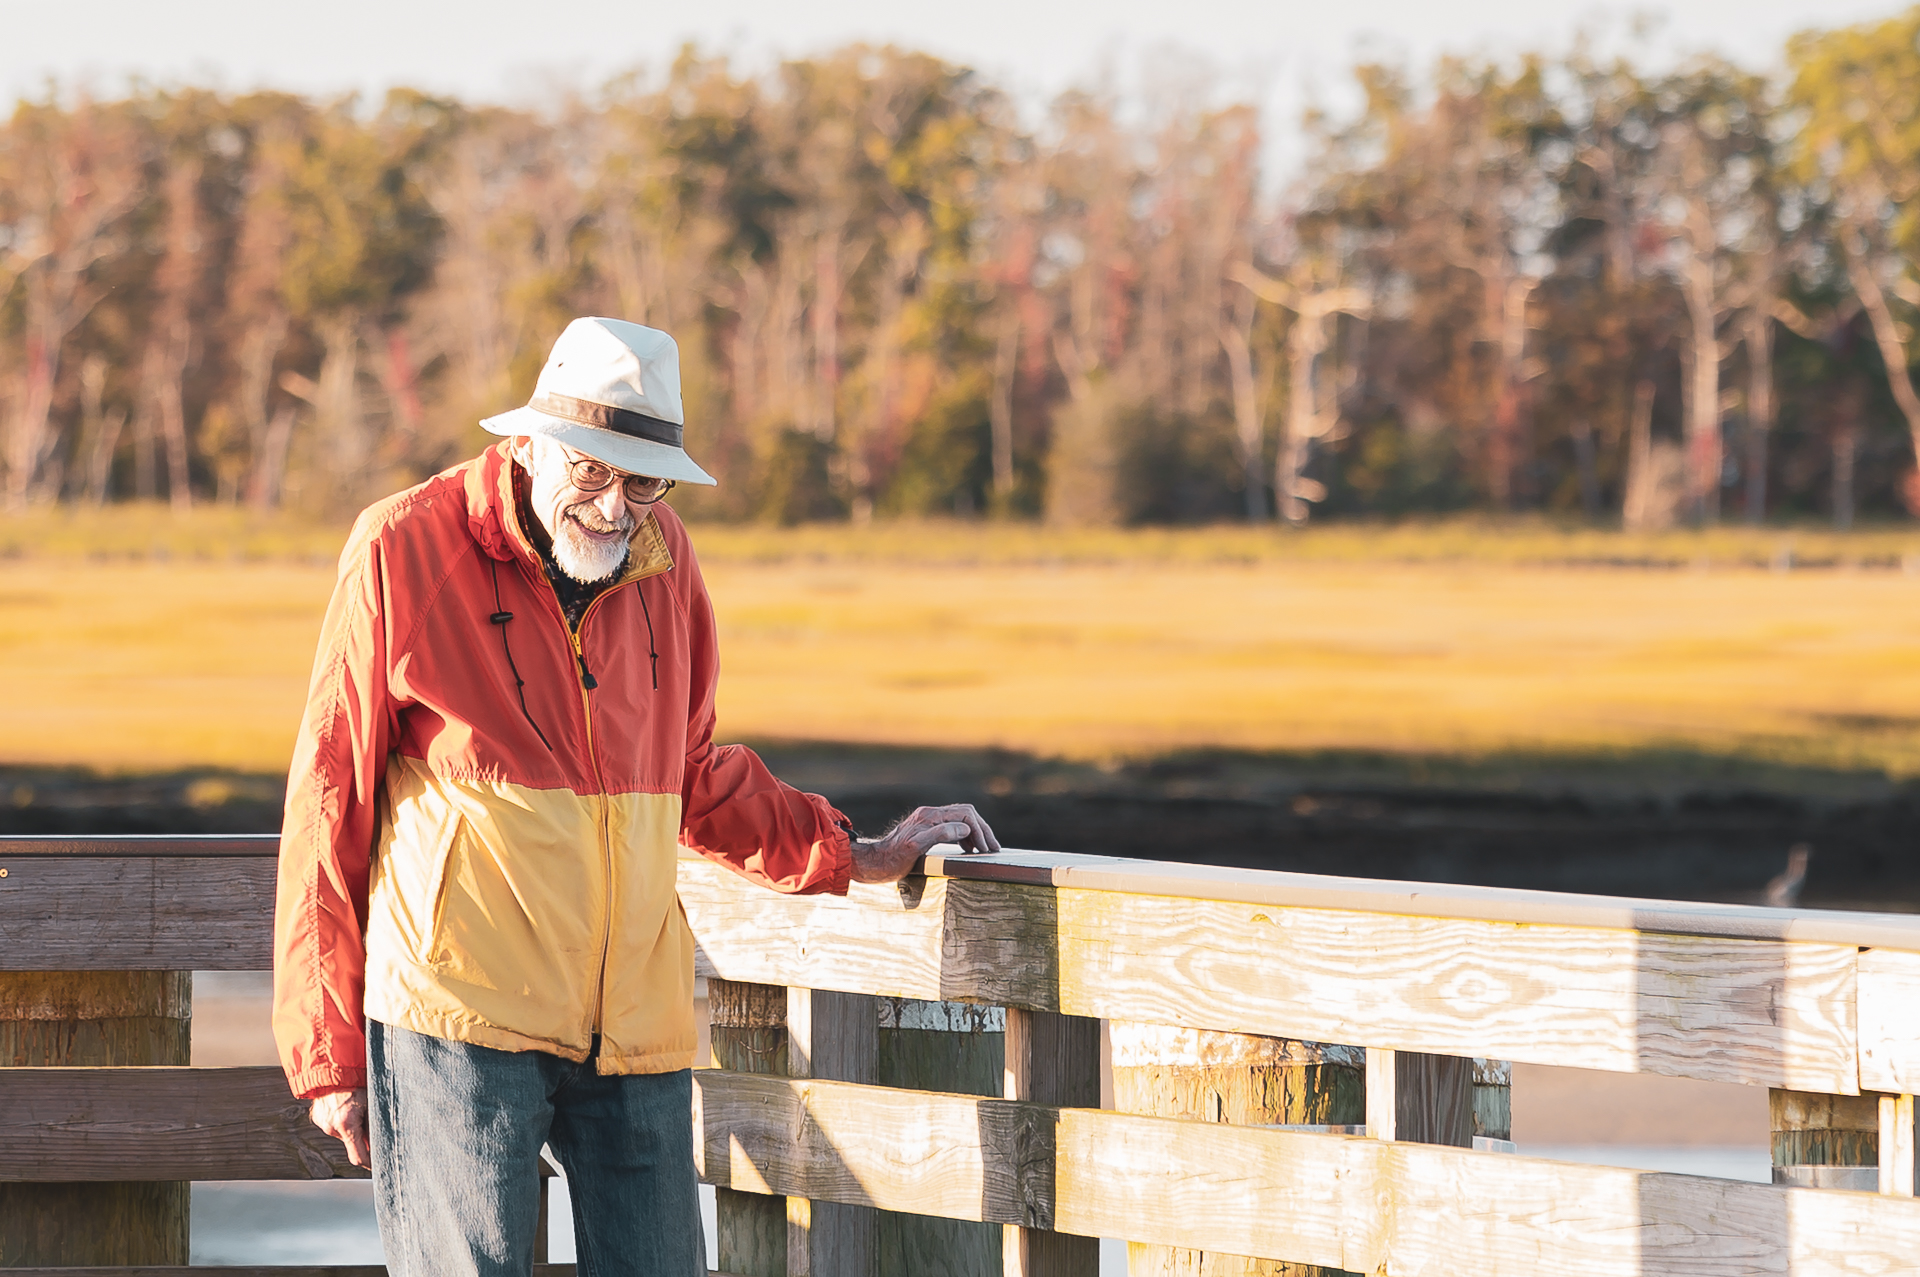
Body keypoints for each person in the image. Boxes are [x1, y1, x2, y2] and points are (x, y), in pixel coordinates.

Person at [271, 316, 1000, 1275]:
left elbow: (692, 775)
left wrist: (853, 851)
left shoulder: (668, 564)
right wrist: (326, 1053)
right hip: (457, 1020)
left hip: (635, 1031)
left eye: (645, 481)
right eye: (593, 472)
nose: (617, 509)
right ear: (529, 443)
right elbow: (329, 798)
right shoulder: (403, 547)